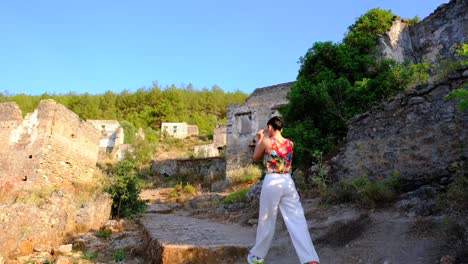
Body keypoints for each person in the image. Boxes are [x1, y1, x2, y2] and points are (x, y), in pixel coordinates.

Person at [247, 116, 319, 264]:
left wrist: (260, 138)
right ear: (282, 129)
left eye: (268, 128)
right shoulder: (290, 143)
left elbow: (255, 158)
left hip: (272, 180)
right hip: (288, 181)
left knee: (267, 219)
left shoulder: (267, 141)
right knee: (297, 219)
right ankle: (310, 259)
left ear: (270, 127)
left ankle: (257, 257)